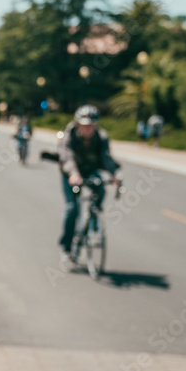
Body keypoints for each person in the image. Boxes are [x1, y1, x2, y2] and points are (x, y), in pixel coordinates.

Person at [57, 105, 122, 259]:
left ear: (95, 125)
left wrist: (114, 174)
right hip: (71, 174)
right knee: (72, 208)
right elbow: (67, 156)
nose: (88, 129)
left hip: (90, 170)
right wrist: (74, 174)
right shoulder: (70, 135)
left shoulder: (101, 137)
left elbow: (105, 157)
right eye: (84, 126)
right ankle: (66, 245)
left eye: (91, 126)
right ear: (78, 124)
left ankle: (94, 213)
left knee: (100, 186)